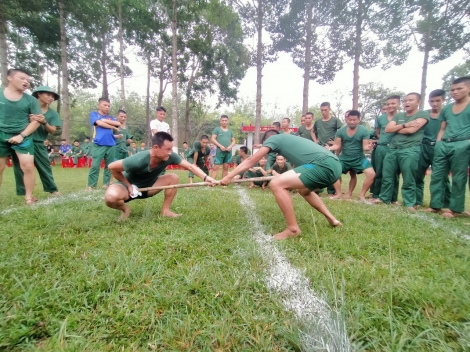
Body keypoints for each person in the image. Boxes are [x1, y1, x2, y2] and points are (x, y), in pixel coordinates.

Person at [221, 131, 342, 240]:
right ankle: (332, 219)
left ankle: (292, 229)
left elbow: (250, 161)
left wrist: (229, 176)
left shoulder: (273, 139)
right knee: (304, 191)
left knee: (277, 183)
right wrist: (264, 146)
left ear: (268, 140)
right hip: (335, 165)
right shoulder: (285, 139)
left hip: (322, 166)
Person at [104, 132, 216, 221]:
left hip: (149, 187)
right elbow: (112, 167)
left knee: (173, 178)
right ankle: (125, 209)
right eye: (167, 149)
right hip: (127, 189)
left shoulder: (170, 156)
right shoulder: (138, 159)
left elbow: (190, 167)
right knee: (110, 197)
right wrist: (128, 186)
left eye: (171, 149)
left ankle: (165, 211)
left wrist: (207, 178)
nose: (170, 152)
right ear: (156, 147)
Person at [373, 93, 429, 211]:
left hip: (410, 149)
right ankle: (384, 198)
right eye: (405, 101)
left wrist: (398, 128)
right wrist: (405, 125)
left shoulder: (423, 114)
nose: (407, 103)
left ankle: (409, 203)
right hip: (393, 149)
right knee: (387, 175)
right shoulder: (399, 115)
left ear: (418, 102)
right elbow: (388, 129)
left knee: (408, 177)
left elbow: (412, 130)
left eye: (411, 100)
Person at [427, 77, 470, 217]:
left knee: (459, 177)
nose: (455, 92)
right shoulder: (446, 109)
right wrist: (439, 143)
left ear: (468, 88)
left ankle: (455, 209)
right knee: (437, 176)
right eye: (452, 90)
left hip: (463, 143)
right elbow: (442, 128)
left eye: (459, 89)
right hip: (444, 143)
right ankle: (435, 205)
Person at [0, 68, 42, 205]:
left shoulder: (31, 100)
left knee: (28, 166)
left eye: (28, 80)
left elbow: (37, 121)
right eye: (22, 78)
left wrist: (21, 135)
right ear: (10, 78)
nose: (26, 82)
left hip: (23, 135)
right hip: (1, 134)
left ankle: (28, 198)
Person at [12, 85, 61, 199]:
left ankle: (52, 189)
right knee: (21, 167)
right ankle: (25, 193)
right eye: (48, 95)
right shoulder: (26, 107)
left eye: (53, 96)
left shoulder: (53, 114)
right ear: (38, 94)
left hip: (39, 142)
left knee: (45, 167)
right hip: (23, 140)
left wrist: (44, 122)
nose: (51, 98)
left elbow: (53, 130)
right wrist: (28, 121)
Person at [327, 110, 375, 201]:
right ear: (347, 119)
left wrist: (368, 147)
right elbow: (337, 145)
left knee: (371, 174)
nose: (352, 122)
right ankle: (338, 193)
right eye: (350, 120)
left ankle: (361, 195)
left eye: (354, 120)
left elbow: (365, 147)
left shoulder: (364, 130)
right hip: (344, 158)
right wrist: (329, 148)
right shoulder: (341, 131)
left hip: (360, 159)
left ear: (358, 120)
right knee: (334, 171)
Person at [416, 90, 451, 207]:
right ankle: (417, 201)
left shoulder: (447, 113)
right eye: (432, 101)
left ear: (443, 100)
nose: (434, 104)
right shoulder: (424, 114)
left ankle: (446, 202)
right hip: (423, 147)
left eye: (438, 101)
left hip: (440, 147)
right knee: (418, 174)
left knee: (442, 176)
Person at [370, 96, 401, 202]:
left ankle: (393, 198)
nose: (390, 106)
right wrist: (382, 139)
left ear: (399, 104)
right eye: (388, 104)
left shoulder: (402, 117)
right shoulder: (380, 118)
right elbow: (378, 132)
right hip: (382, 147)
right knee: (379, 172)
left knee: (394, 173)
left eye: (393, 103)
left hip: (395, 148)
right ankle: (376, 195)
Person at [87, 97, 121, 190]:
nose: (107, 107)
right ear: (99, 105)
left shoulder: (110, 117)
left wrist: (104, 120)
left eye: (109, 106)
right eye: (105, 105)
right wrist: (112, 127)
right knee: (95, 165)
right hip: (98, 143)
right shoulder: (93, 114)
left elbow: (117, 123)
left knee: (109, 166)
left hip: (111, 144)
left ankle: (106, 184)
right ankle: (91, 185)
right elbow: (99, 123)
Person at [312, 102, 343, 196]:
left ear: (329, 109)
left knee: (332, 169)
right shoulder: (318, 122)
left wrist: (336, 142)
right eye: (322, 110)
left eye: (325, 110)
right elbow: (313, 132)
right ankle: (316, 189)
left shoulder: (335, 120)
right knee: (317, 167)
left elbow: (342, 132)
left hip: (331, 148)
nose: (323, 112)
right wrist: (315, 141)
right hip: (320, 148)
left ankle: (331, 191)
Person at [211, 115, 235, 179]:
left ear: (227, 121)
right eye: (223, 120)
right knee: (216, 167)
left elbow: (233, 141)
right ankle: (211, 182)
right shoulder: (217, 129)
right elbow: (213, 139)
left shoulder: (230, 131)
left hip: (228, 152)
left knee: (226, 167)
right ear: (220, 121)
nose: (224, 122)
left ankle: (223, 182)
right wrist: (220, 146)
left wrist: (230, 146)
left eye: (225, 120)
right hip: (219, 151)